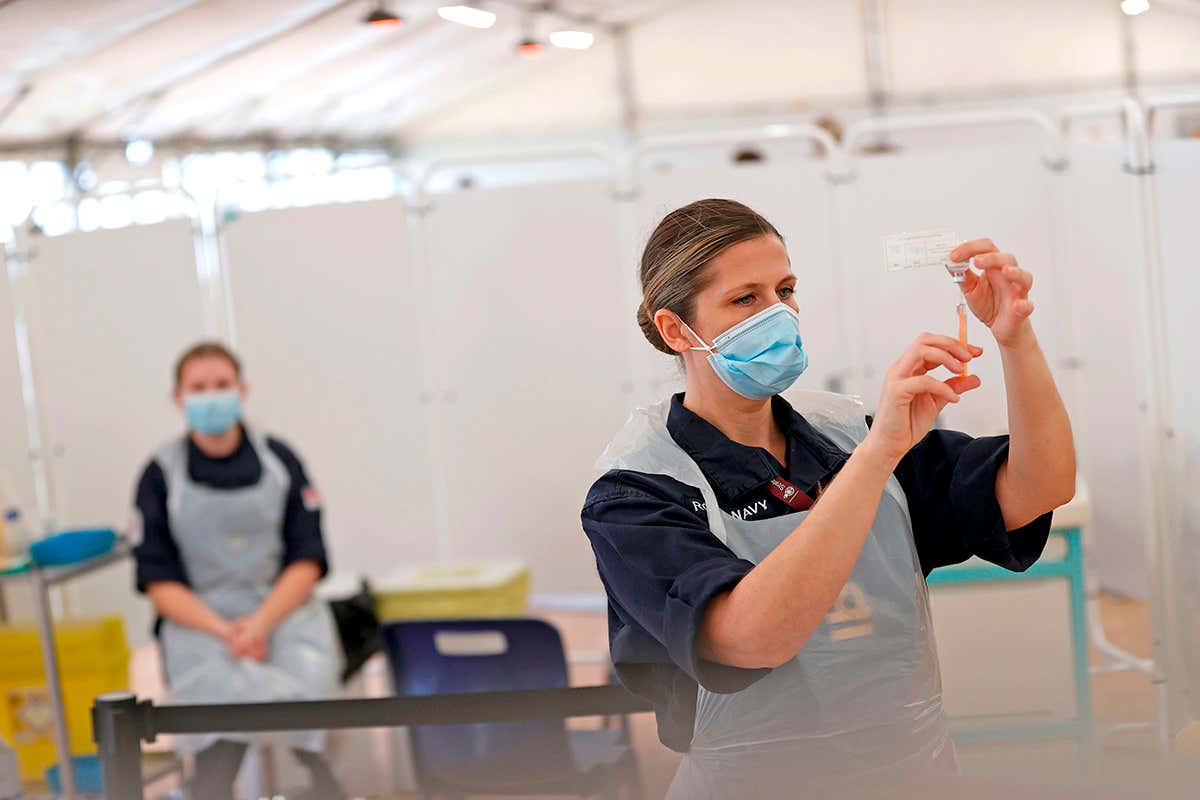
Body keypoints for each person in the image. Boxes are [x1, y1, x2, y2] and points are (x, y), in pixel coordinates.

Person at [582, 199, 1076, 797]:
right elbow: (752, 637)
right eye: (746, 299)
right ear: (674, 329)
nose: (780, 314)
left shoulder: (846, 432)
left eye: (785, 289)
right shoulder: (637, 489)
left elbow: (1041, 486)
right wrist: (877, 457)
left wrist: (1016, 340)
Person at [131, 342, 343, 800]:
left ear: (242, 389)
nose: (211, 395)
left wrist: (261, 624)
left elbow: (307, 558)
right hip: (202, 626)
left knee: (310, 723)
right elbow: (159, 581)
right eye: (199, 387)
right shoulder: (158, 475)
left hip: (284, 615)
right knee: (216, 738)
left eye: (221, 385)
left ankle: (323, 783)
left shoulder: (280, 460)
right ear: (178, 397)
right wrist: (228, 633)